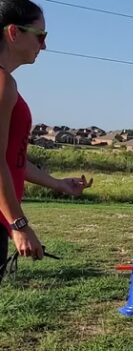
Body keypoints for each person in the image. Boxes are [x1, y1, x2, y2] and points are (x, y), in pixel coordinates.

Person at [0, 0, 92, 281]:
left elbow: (12, 157)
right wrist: (19, 225)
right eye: (40, 36)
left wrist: (58, 184)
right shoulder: (3, 85)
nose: (44, 45)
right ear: (14, 32)